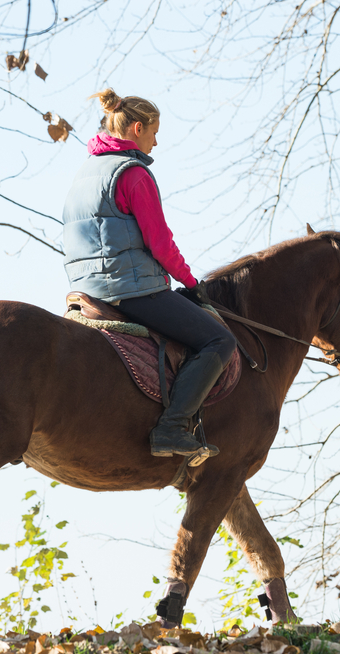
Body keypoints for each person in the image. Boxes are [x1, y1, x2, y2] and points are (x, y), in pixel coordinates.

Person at [61, 88, 236, 464]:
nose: (156, 141)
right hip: (130, 287)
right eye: (154, 131)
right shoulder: (133, 173)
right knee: (218, 340)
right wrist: (191, 283)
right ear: (137, 128)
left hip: (86, 288)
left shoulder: (86, 171)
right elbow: (160, 242)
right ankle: (172, 427)